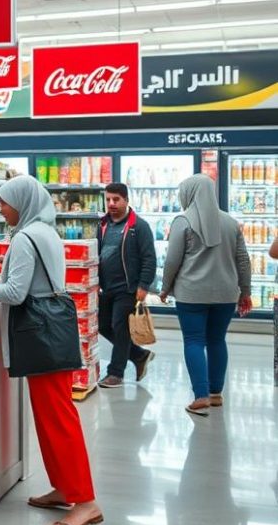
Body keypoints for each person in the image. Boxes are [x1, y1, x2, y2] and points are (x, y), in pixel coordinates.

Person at [0, 176, 103, 525]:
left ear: (21, 203)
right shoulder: (46, 232)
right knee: (49, 418)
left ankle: (85, 502)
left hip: (41, 336)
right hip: (52, 334)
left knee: (59, 420)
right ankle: (64, 488)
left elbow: (15, 293)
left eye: (5, 203)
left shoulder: (24, 238)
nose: (1, 209)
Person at [159, 174, 251, 416]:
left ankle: (200, 396)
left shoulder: (183, 221)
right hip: (226, 295)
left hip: (191, 295)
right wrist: (246, 292)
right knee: (217, 340)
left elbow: (172, 261)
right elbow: (243, 261)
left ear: (189, 193)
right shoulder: (231, 222)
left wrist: (165, 288)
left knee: (194, 341)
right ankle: (216, 394)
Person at [96, 183, 156, 388]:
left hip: (128, 288)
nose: (111, 204)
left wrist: (144, 285)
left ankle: (116, 373)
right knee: (103, 325)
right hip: (106, 287)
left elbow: (149, 258)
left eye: (116, 200)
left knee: (119, 328)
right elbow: (97, 254)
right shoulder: (102, 225)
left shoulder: (138, 227)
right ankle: (139, 355)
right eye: (108, 200)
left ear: (126, 200)